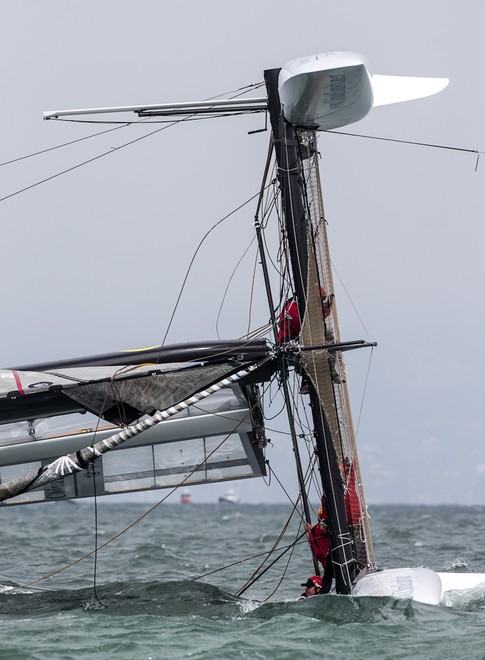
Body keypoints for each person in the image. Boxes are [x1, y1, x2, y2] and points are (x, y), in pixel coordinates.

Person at [305, 499, 333, 593]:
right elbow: (323, 527)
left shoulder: (312, 532)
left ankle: (322, 593)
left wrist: (312, 528)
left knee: (327, 579)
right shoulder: (318, 529)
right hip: (331, 563)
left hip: (328, 564)